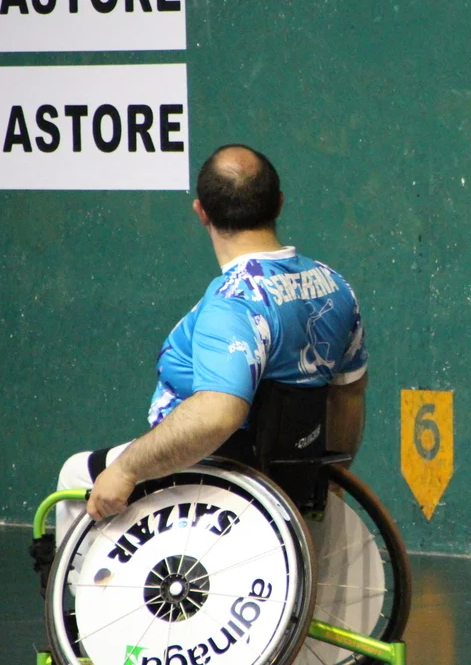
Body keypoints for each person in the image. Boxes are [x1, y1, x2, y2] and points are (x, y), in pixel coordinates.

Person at [55, 143, 368, 538]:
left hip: (215, 475)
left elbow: (218, 414)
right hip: (284, 477)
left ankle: (76, 582)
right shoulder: (335, 287)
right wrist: (328, 477)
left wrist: (127, 469)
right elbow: (348, 395)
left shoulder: (235, 302)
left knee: (76, 474)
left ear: (201, 211)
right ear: (279, 204)